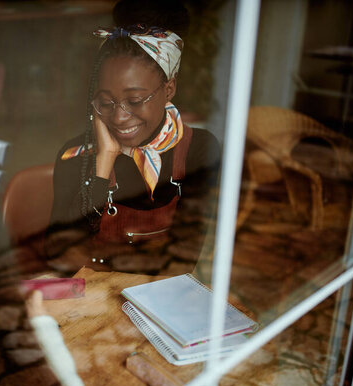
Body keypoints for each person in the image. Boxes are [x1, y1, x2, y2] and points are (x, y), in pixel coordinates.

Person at [45, 0, 221, 274]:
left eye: (135, 100)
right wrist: (102, 166)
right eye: (106, 102)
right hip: (93, 309)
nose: (118, 118)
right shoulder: (75, 156)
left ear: (169, 89)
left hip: (160, 304)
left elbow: (186, 258)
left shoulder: (198, 150)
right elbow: (58, 257)